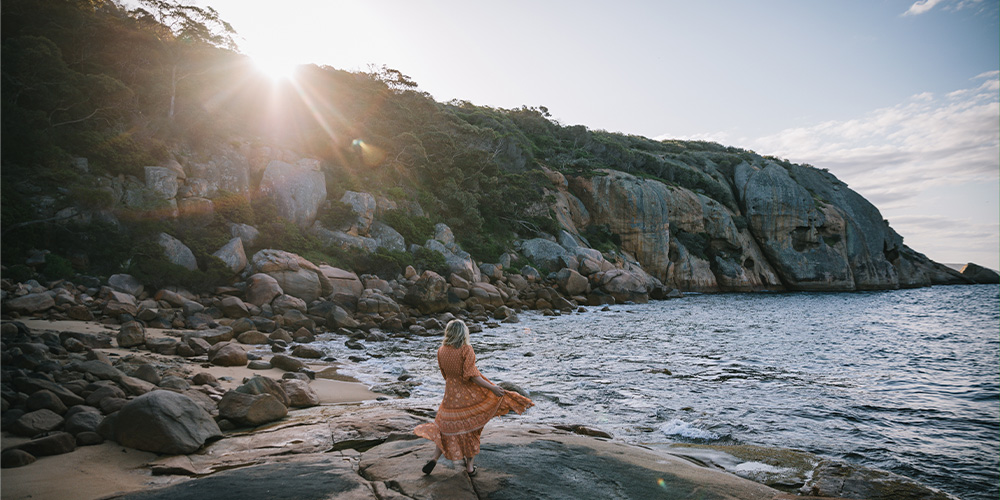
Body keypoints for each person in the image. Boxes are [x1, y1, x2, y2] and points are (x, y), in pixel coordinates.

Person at [414, 319, 533, 476]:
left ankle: (435, 458)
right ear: (463, 333)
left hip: (449, 396)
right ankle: (470, 468)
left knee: (443, 428)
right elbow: (472, 376)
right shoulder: (466, 349)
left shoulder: (441, 350)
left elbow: (445, 375)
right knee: (471, 431)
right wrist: (492, 388)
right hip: (467, 397)